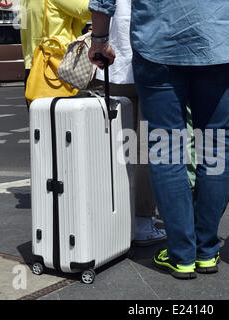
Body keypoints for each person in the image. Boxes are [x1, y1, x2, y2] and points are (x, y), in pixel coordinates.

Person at [89, 0, 229, 280]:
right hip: (218, 43)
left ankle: (181, 254)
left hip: (158, 43)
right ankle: (206, 251)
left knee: (165, 147)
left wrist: (99, 40)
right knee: (214, 143)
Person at [89, 0, 166, 246]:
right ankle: (142, 222)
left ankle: (112, 215)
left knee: (114, 146)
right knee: (145, 147)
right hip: (153, 57)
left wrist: (98, 40)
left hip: (114, 58)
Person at [20, 0, 91, 107]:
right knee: (68, 119)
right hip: (62, 65)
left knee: (41, 119)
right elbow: (89, 10)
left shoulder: (24, 2)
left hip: (33, 66)